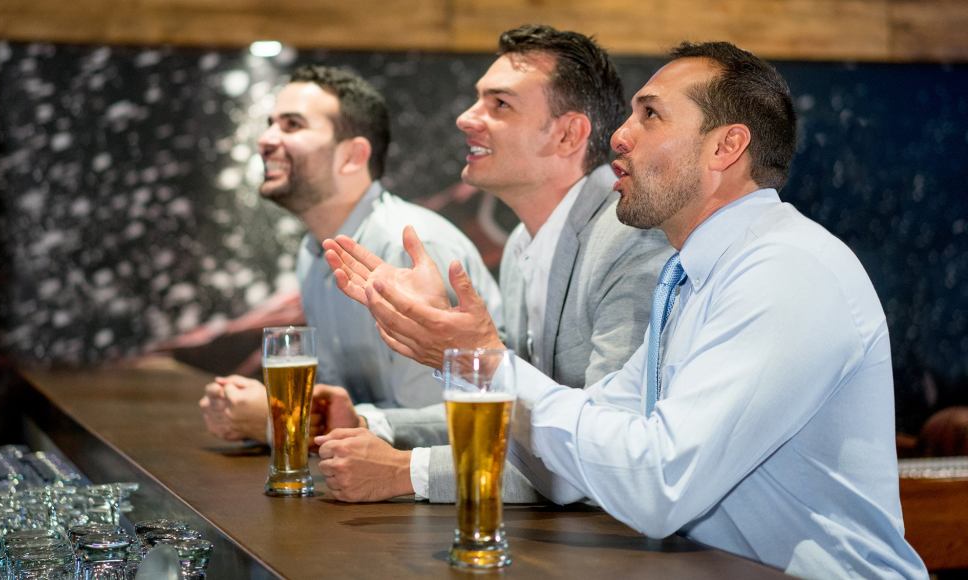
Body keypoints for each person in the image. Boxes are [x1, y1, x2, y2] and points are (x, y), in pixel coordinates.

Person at [327, 42, 928, 577]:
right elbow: (572, 467)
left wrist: (482, 359)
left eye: (651, 114)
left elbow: (657, 485)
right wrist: (458, 350)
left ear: (727, 146)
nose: (618, 134)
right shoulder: (691, 274)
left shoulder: (784, 270)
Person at [313, 25, 671, 503]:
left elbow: (595, 458)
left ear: (568, 134)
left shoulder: (633, 245)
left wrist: (408, 471)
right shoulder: (525, 242)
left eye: (499, 104)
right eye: (477, 99)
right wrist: (369, 422)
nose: (466, 117)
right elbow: (515, 420)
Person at [198, 65, 502, 443]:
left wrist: (283, 419)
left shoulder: (410, 247)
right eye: (270, 123)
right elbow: (339, 401)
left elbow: (448, 423)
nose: (266, 139)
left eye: (292, 125)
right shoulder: (313, 252)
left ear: (354, 156)